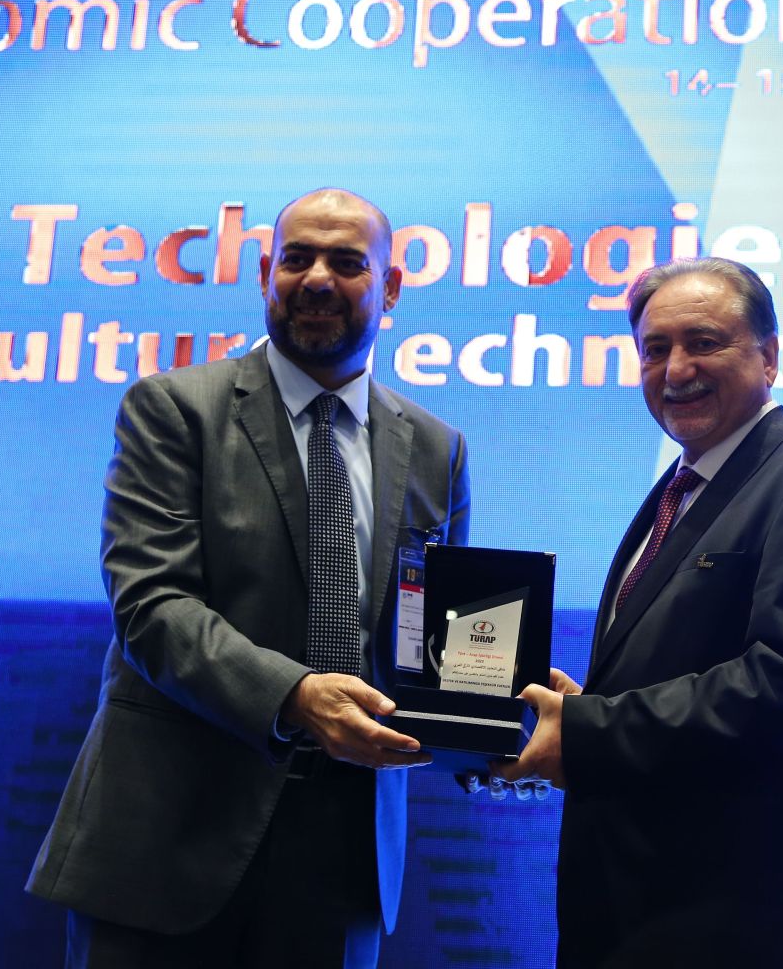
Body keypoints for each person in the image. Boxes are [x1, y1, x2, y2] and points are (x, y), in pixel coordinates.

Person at [27, 188, 470, 968]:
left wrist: (493, 709)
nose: (317, 279)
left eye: (347, 262)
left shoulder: (438, 448)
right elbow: (151, 607)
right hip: (167, 841)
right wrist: (298, 697)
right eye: (297, 258)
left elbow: (431, 643)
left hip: (342, 853)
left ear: (392, 287)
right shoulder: (173, 410)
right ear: (266, 273)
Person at [500, 257, 783, 968]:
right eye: (655, 349)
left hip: (738, 927)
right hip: (634, 914)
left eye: (704, 342)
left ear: (769, 356)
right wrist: (585, 707)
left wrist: (585, 732)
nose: (676, 370)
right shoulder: (682, 487)